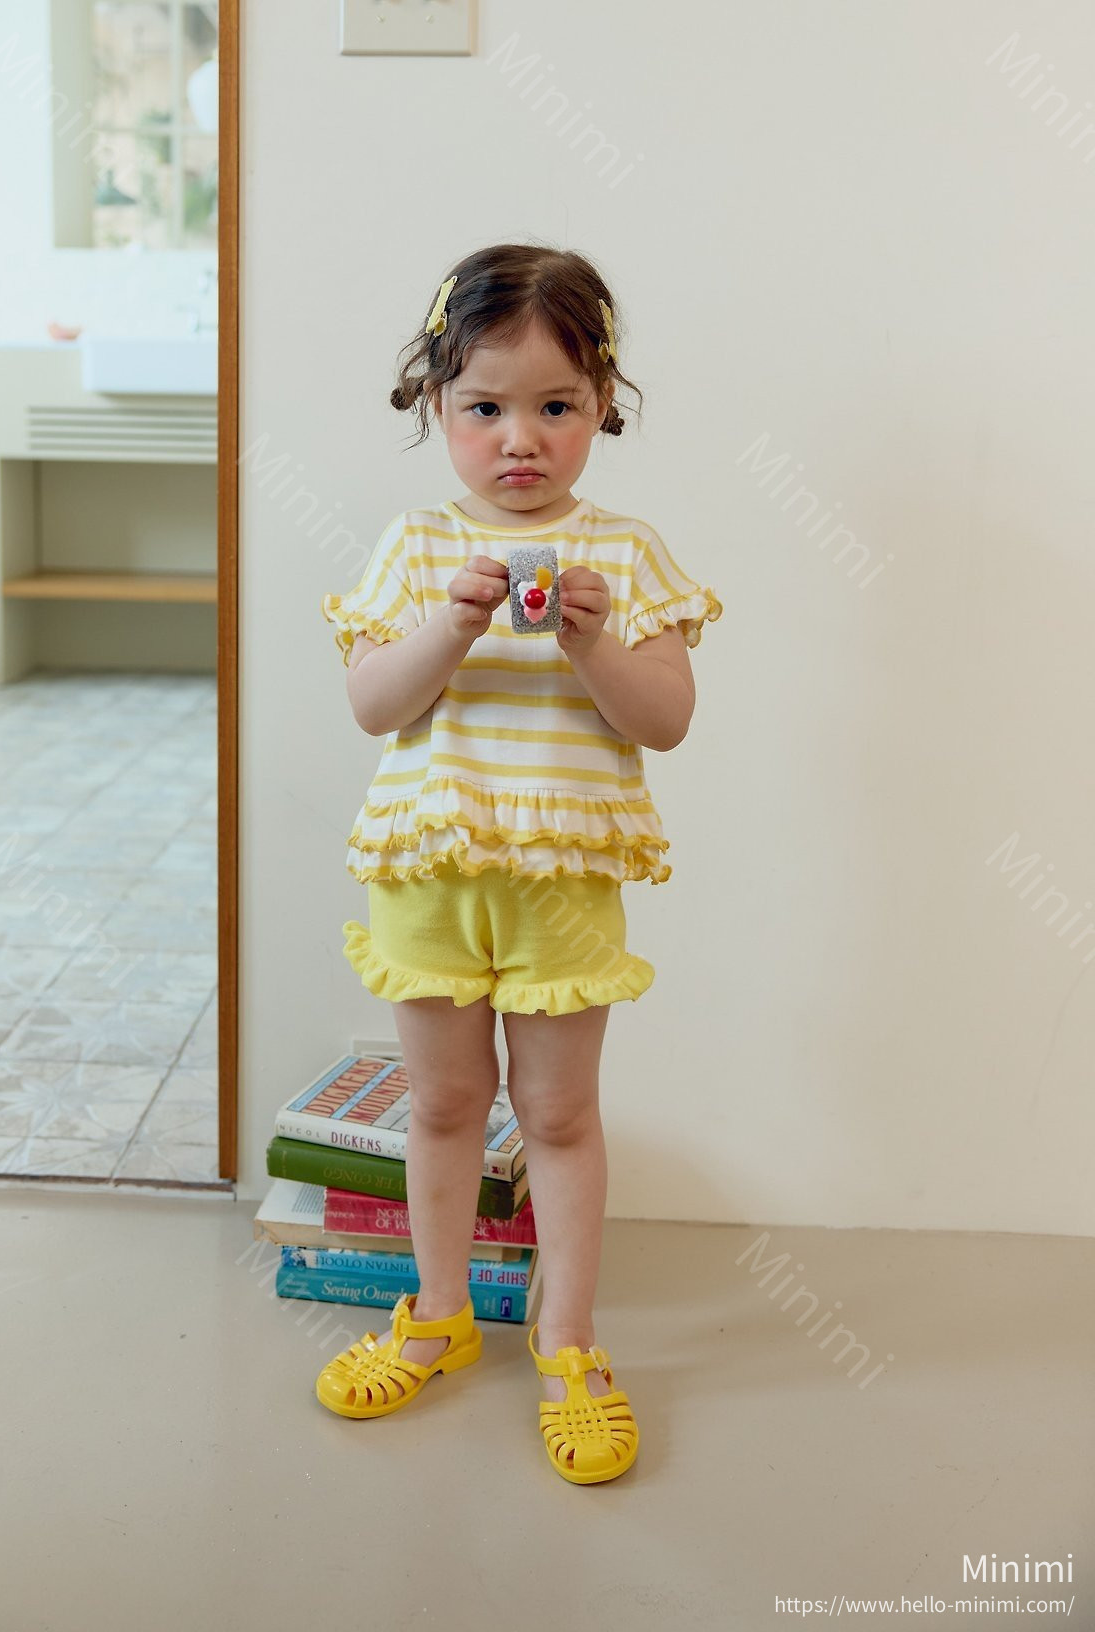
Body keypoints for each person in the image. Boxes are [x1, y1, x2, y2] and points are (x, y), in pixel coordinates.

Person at [314, 242, 722, 1484]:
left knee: (554, 1113)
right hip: (428, 872)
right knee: (441, 1104)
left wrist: (595, 645)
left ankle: (568, 1343)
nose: (520, 440)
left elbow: (664, 720)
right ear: (435, 404)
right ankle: (437, 1314)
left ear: (603, 403)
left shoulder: (627, 553)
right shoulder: (414, 545)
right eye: (484, 408)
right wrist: (448, 622)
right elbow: (373, 705)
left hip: (561, 883)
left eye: (555, 406)